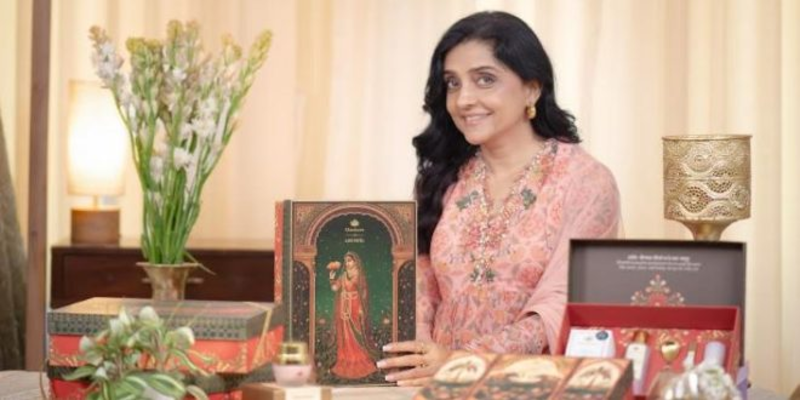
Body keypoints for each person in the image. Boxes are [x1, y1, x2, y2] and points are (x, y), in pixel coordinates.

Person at [376, 11, 621, 386]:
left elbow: (559, 307)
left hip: (533, 386)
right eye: (453, 83)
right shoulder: (444, 177)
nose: (464, 99)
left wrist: (462, 363)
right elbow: (423, 287)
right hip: (434, 387)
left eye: (485, 79)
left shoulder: (584, 182)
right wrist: (421, 355)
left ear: (532, 89)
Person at [328, 251, 379, 378]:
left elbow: (363, 292)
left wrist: (361, 307)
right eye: (346, 261)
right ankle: (346, 359)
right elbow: (335, 288)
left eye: (349, 260)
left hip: (355, 306)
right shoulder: (343, 275)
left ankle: (359, 358)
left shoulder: (359, 275)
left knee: (357, 333)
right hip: (343, 307)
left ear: (355, 261)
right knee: (344, 333)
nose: (347, 263)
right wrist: (332, 277)